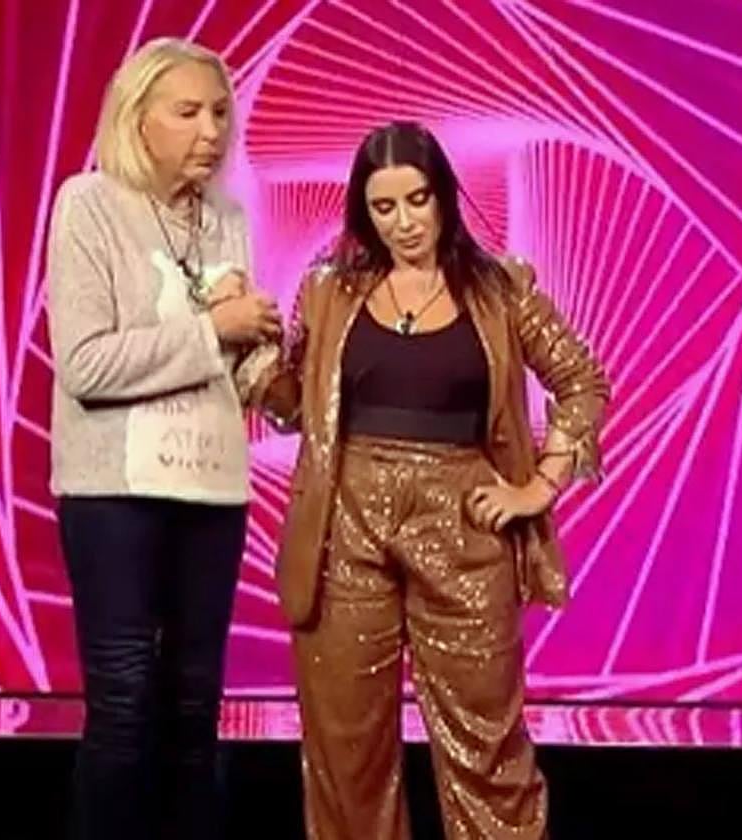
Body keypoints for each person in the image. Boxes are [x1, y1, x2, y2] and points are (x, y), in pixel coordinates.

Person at [249, 121, 610, 839]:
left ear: (444, 195)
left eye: (418, 200)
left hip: (464, 527)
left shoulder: (500, 288)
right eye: (384, 207)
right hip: (346, 527)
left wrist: (540, 485)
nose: (405, 222)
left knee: (488, 750)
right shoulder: (326, 291)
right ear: (364, 212)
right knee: (347, 753)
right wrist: (256, 366)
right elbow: (297, 407)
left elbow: (583, 382)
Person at [45, 37, 280, 840]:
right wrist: (216, 330)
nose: (211, 131)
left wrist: (277, 369)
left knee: (194, 703)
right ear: (137, 119)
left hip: (210, 488)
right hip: (115, 493)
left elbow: (231, 367)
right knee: (123, 698)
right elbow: (86, 364)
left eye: (219, 112)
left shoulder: (228, 220)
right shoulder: (89, 204)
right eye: (188, 112)